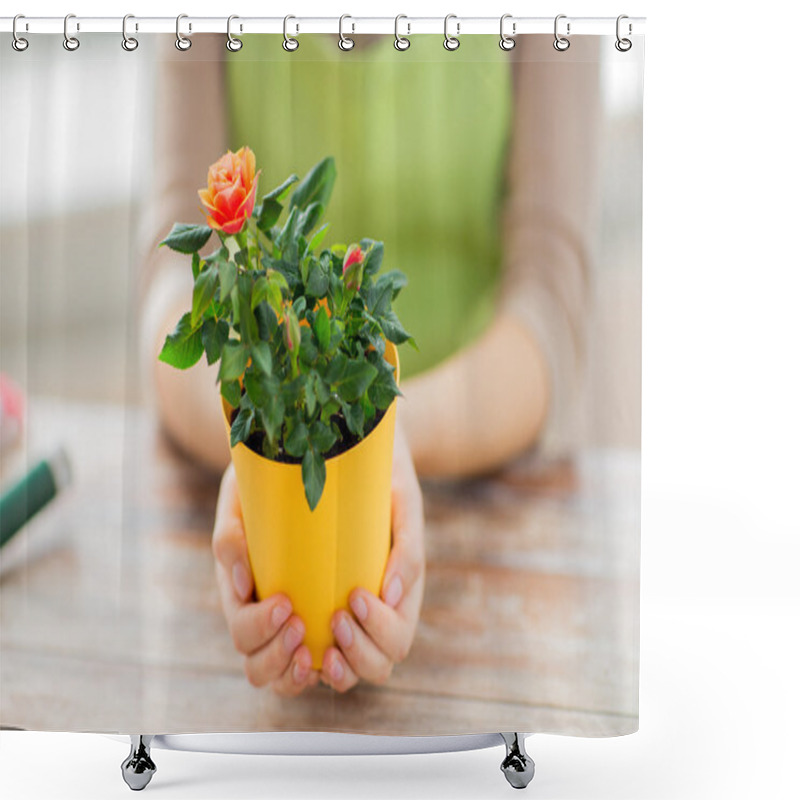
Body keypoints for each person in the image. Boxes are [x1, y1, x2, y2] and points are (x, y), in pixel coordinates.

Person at [138, 32, 598, 697]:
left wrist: (383, 439)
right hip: (272, 446)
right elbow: (170, 283)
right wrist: (257, 449)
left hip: (497, 487)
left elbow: (551, 307)